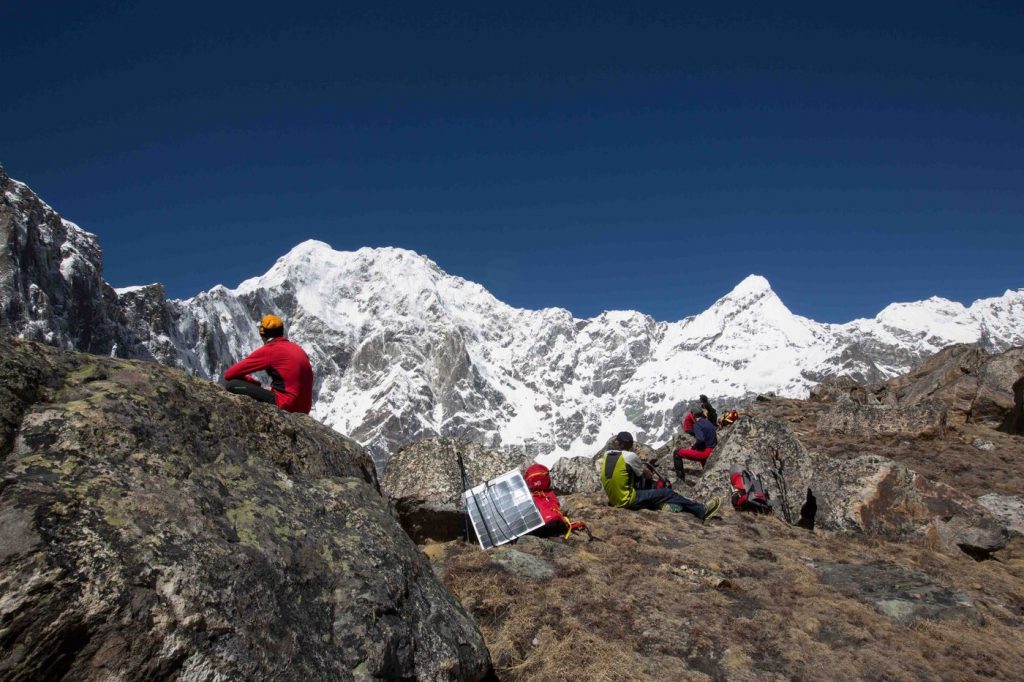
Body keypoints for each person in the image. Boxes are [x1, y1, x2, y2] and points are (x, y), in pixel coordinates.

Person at [600, 431, 721, 522]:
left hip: (613, 499)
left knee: (642, 485)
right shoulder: (629, 456)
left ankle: (659, 504)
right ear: (630, 445)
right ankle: (701, 510)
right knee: (666, 493)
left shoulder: (607, 455)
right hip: (626, 500)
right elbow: (647, 475)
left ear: (617, 443)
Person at [223, 314, 314, 414]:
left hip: (286, 405)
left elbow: (229, 374)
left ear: (262, 334)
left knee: (233, 385)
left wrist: (254, 383)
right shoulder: (297, 348)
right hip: (304, 409)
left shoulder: (270, 350)